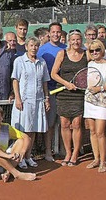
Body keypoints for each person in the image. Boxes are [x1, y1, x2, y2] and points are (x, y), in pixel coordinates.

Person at [11, 37, 51, 169]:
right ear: (27, 47)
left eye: (36, 46)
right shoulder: (19, 61)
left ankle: (28, 156)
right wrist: (18, 98)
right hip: (24, 101)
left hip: (38, 101)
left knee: (33, 130)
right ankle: (20, 157)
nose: (34, 48)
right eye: (31, 45)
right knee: (24, 131)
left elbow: (45, 81)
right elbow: (15, 80)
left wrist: (46, 98)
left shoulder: (42, 62)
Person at [50, 30, 87, 166]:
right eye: (73, 40)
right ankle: (68, 152)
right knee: (65, 124)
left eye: (78, 39)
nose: (76, 42)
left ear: (81, 40)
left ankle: (76, 153)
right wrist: (67, 84)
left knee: (77, 124)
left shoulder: (86, 54)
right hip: (64, 94)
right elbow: (53, 74)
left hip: (79, 95)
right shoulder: (62, 54)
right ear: (69, 41)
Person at [83, 40, 106, 173]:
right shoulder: (89, 64)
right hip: (89, 100)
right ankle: (96, 158)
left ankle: (103, 161)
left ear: (102, 50)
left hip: (103, 101)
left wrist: (100, 88)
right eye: (92, 51)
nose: (94, 52)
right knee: (92, 131)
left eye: (97, 50)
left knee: (100, 132)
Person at [0, 106, 37, 182]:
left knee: (21, 141)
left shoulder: (6, 127)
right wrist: (8, 156)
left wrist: (22, 152)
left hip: (5, 163)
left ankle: (8, 172)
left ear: (2, 118)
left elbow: (26, 137)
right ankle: (16, 174)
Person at [37, 22, 67, 163]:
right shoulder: (42, 50)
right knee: (49, 124)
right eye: (53, 32)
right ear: (49, 33)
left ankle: (63, 149)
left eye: (58, 32)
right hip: (49, 91)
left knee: (63, 122)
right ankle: (48, 151)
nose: (56, 34)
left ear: (61, 33)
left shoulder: (66, 49)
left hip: (64, 91)